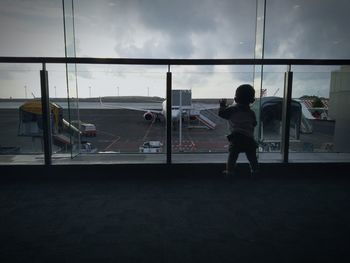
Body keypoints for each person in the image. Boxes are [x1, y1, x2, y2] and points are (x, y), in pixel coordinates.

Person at [218, 84, 259, 178]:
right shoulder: (251, 112)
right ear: (252, 100)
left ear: (235, 99)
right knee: (252, 157)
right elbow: (254, 123)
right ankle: (255, 171)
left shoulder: (232, 109)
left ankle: (230, 172)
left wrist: (222, 105)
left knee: (232, 156)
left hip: (236, 138)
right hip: (249, 138)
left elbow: (221, 114)